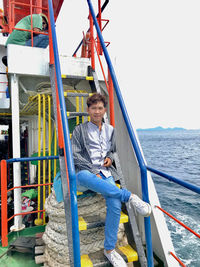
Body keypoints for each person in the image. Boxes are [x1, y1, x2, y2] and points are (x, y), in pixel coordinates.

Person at [71, 93, 151, 267]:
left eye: (100, 108)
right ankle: (130, 196)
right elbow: (75, 156)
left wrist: (109, 158)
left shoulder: (110, 130)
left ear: (104, 110)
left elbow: (111, 151)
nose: (97, 112)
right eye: (93, 108)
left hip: (105, 173)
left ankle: (109, 251)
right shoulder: (79, 130)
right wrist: (94, 171)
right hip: (85, 173)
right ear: (88, 110)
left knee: (114, 203)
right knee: (84, 176)